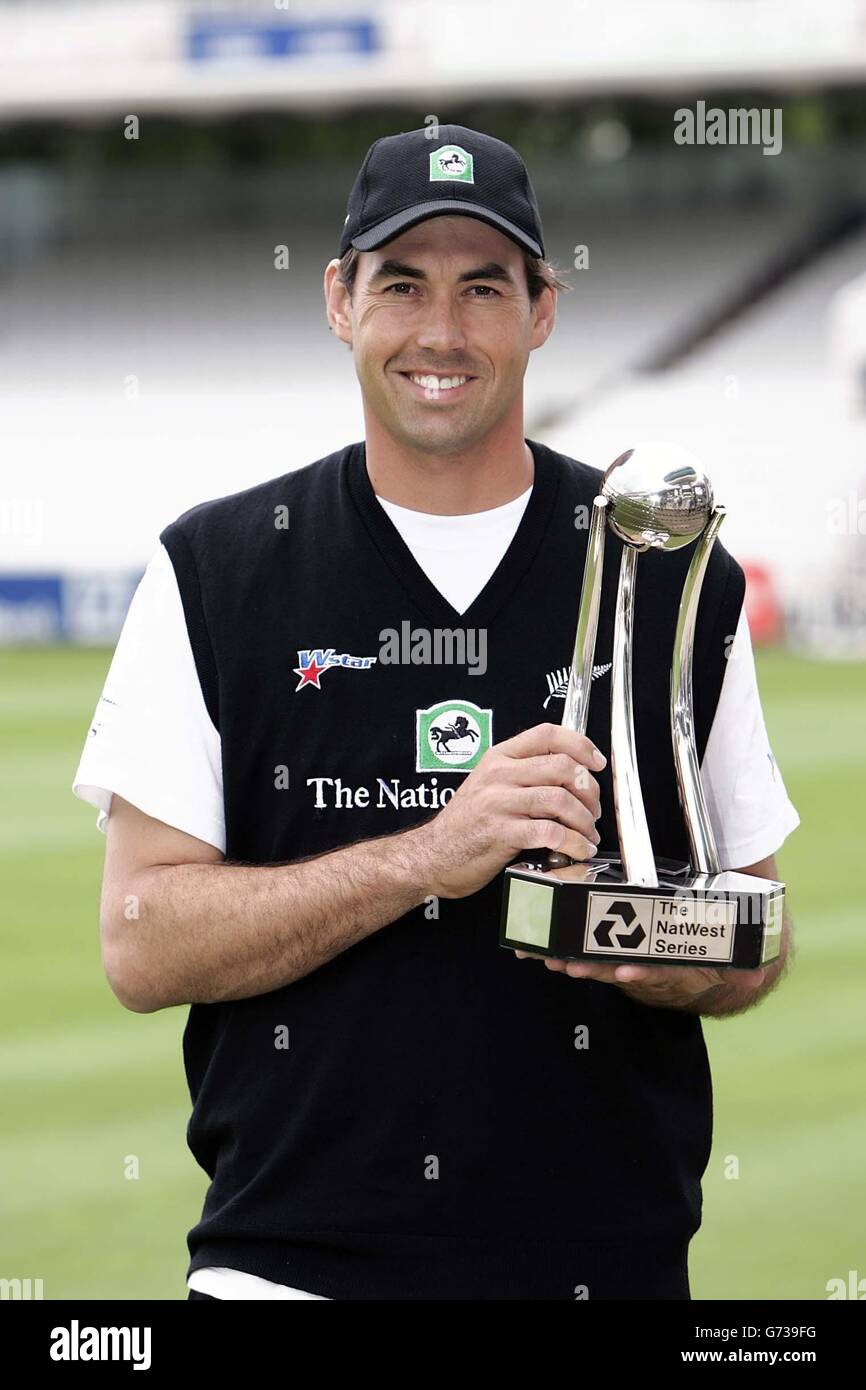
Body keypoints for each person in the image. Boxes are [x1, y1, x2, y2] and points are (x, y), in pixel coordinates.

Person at [73, 124, 799, 1301]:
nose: (441, 332)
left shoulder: (661, 568)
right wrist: (431, 855)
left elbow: (750, 935)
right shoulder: (215, 568)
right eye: (401, 285)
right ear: (338, 299)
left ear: (541, 309)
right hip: (287, 1275)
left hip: (602, 1269)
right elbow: (140, 940)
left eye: (482, 288)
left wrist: (636, 944)